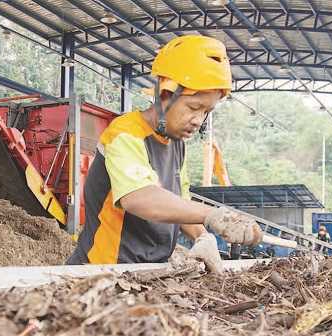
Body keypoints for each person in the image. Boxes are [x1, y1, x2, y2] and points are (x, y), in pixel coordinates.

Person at [67, 35, 262, 272]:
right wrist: (213, 216)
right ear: (165, 95)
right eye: (193, 107)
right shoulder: (125, 133)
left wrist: (202, 237)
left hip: (147, 272)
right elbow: (140, 198)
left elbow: (178, 204)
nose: (198, 120)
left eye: (206, 112)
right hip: (103, 270)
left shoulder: (176, 144)